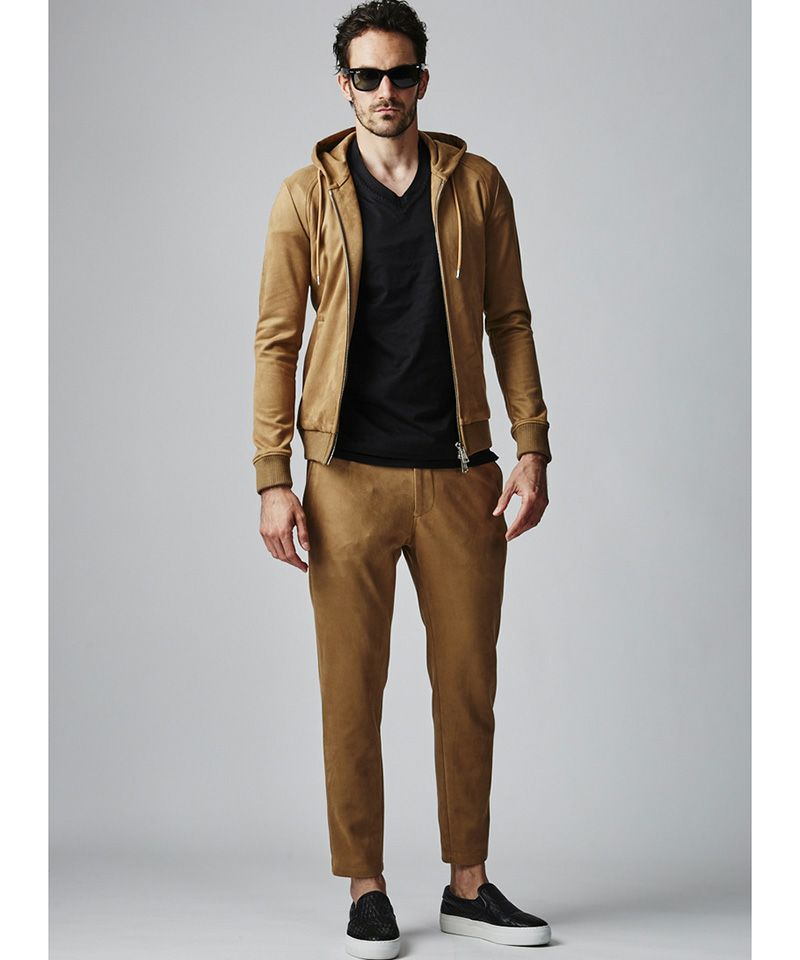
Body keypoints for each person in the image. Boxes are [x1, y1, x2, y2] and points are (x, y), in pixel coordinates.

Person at [252, 1, 553, 955]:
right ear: (343, 85)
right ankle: (367, 887)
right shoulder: (305, 195)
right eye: (368, 76)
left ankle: (468, 885)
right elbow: (277, 340)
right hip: (345, 479)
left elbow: (510, 318)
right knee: (352, 691)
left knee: (467, 686)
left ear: (424, 78)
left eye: (402, 74)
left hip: (461, 476)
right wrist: (272, 475)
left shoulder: (478, 186)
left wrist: (532, 444)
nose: (386, 92)